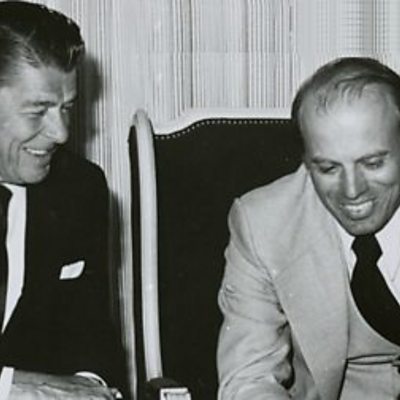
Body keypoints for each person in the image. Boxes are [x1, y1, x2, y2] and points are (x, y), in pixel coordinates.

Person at [217, 56, 400, 399]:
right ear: (306, 160)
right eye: (328, 168)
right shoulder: (263, 224)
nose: (352, 190)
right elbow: (249, 379)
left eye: (373, 163)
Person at [0, 2, 124, 399]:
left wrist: (89, 387)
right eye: (38, 111)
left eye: (67, 107)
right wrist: (12, 386)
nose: (61, 133)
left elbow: (90, 332)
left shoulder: (79, 188)